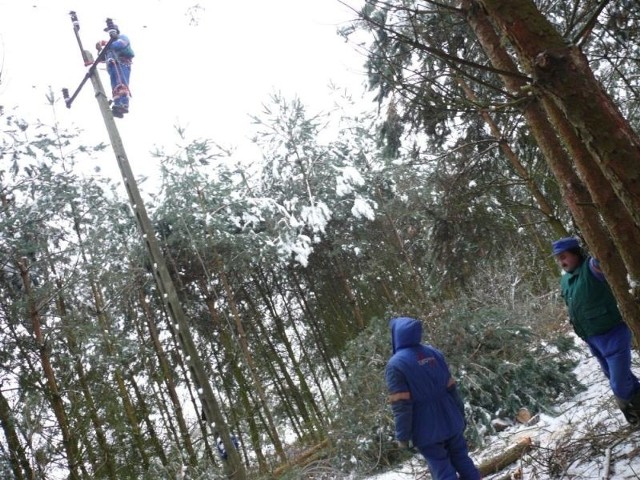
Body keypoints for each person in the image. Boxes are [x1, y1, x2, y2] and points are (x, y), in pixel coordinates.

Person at [552, 236, 640, 424]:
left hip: (613, 333)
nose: (561, 261)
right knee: (618, 378)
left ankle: (634, 416)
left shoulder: (592, 267)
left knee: (619, 383)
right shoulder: (566, 280)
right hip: (592, 338)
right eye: (558, 258)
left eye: (564, 256)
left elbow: (603, 257)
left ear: (576, 253)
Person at [385, 316, 481, 480]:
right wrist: (460, 414)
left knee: (442, 469)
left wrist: (403, 436)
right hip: (451, 418)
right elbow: (452, 389)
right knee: (463, 459)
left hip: (426, 427)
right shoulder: (434, 353)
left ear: (396, 336)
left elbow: (402, 406)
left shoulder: (395, 365)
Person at [96, 19, 134, 118]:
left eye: (110, 31)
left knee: (121, 83)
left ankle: (124, 104)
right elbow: (102, 58)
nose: (109, 33)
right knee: (115, 86)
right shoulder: (110, 46)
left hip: (122, 64)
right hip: (112, 66)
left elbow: (120, 44)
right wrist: (100, 50)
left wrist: (107, 45)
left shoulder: (122, 38)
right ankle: (118, 106)